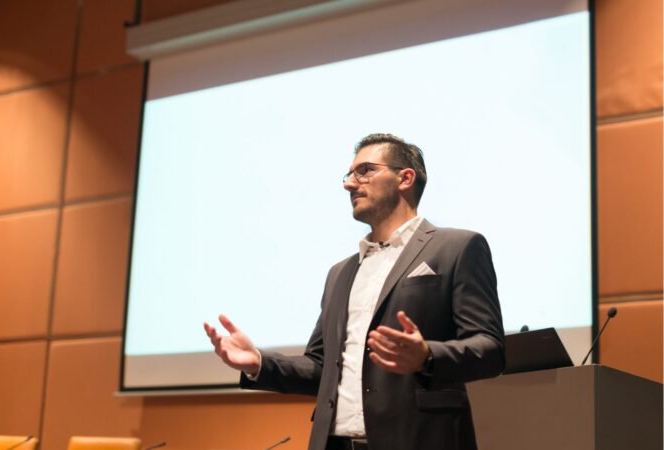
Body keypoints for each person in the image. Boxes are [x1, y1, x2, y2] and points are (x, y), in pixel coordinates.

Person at [204, 133, 505, 450]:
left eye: (365, 171)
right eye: (349, 175)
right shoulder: (340, 272)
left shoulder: (457, 247)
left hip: (419, 438)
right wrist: (259, 363)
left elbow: (490, 349)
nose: (350, 184)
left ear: (405, 177)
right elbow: (322, 367)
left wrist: (427, 356)